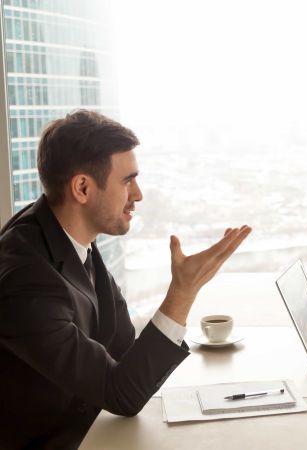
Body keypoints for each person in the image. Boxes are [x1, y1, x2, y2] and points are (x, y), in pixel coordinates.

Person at [0, 110, 251, 449]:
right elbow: (122, 396)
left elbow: (123, 351)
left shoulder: (69, 237)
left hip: (95, 430)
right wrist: (183, 291)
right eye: (127, 180)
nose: (138, 194)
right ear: (82, 187)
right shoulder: (26, 279)